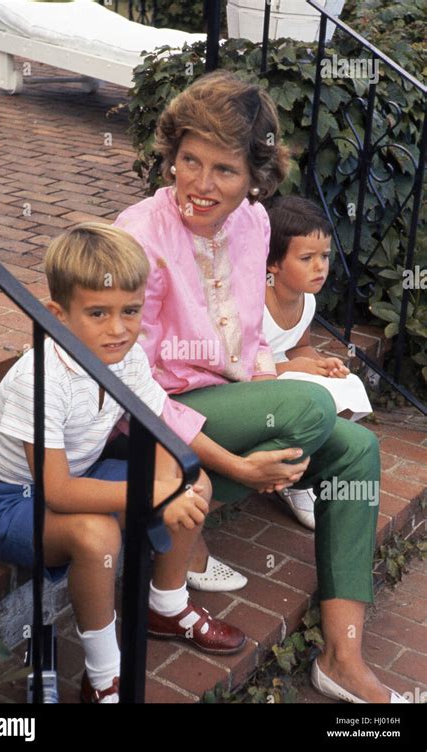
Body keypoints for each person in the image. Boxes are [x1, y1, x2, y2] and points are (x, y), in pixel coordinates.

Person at [113, 70, 408, 703]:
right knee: (305, 407)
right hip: (150, 421)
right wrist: (237, 465)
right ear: (172, 154)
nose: (198, 183)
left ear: (255, 178)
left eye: (223, 169)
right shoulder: (139, 234)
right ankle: (170, 523)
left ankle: (341, 655)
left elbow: (249, 343)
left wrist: (277, 391)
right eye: (189, 160)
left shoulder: (251, 225)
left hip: (229, 402)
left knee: (357, 450)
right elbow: (126, 384)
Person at [0, 223, 246, 704]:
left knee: (193, 484)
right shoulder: (42, 378)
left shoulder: (128, 358)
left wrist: (173, 483)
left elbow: (158, 428)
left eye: (130, 311)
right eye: (98, 313)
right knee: (99, 536)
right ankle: (105, 674)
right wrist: (156, 494)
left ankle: (167, 605)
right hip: (8, 498)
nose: (118, 329)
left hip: (82, 474)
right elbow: (58, 493)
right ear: (56, 315)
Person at [263, 195, 373, 518]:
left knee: (347, 386)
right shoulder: (257, 302)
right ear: (273, 263)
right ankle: (294, 479)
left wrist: (322, 363)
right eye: (307, 257)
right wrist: (293, 366)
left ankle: (310, 463)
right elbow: (238, 367)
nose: (320, 267)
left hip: (285, 371)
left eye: (324, 256)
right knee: (311, 396)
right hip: (256, 380)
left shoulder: (306, 302)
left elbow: (300, 347)